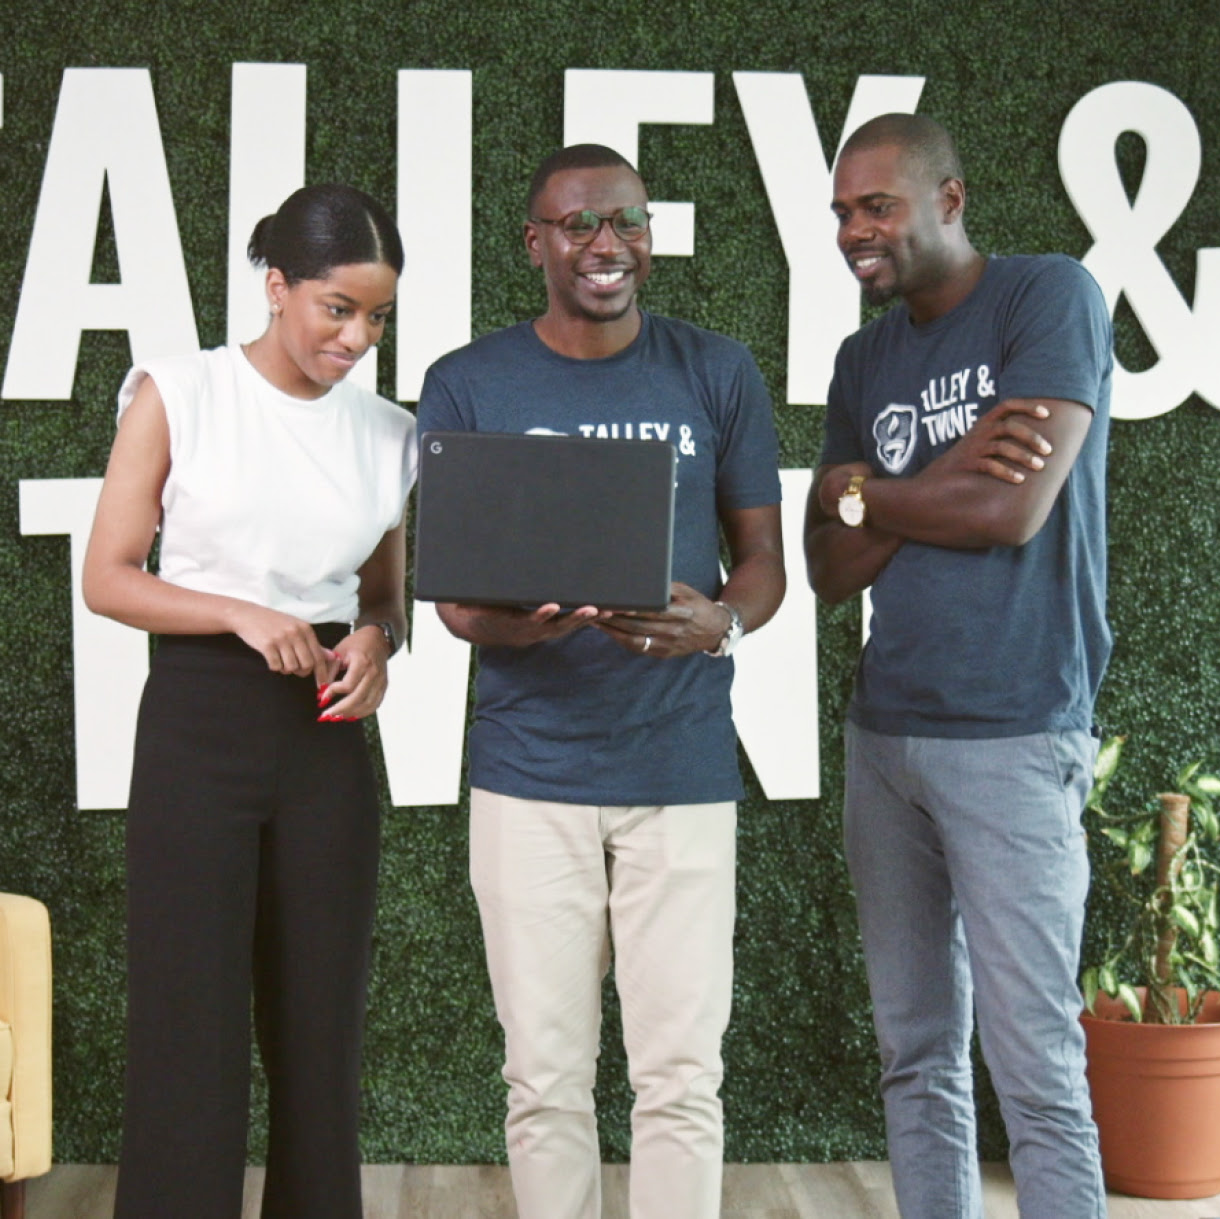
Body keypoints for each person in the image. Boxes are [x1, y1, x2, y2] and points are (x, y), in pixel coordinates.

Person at [416, 143, 785, 1219]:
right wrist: (516, 622)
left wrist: (719, 622)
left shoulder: (714, 370)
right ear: (532, 242)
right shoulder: (468, 381)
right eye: (577, 224)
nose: (604, 245)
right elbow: (450, 603)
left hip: (679, 766)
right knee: (542, 1080)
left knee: (680, 1077)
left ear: (649, 236)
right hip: (528, 773)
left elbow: (760, 562)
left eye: (624, 221)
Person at [802, 112, 1116, 1219]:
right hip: (883, 736)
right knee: (914, 1052)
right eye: (841, 210)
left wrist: (870, 491)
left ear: (947, 198)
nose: (852, 229)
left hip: (1015, 731)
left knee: (1034, 1064)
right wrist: (939, 475)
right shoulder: (863, 357)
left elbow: (1012, 506)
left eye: (873, 205)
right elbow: (825, 562)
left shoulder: (1046, 297)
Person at [80, 183, 413, 1219]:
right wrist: (233, 613)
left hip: (324, 737)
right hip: (197, 725)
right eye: (336, 309)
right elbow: (107, 576)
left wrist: (377, 641)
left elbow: (383, 593)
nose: (356, 337)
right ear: (276, 286)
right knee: (190, 1022)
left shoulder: (390, 433)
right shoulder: (179, 394)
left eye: (376, 317)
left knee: (319, 1026)